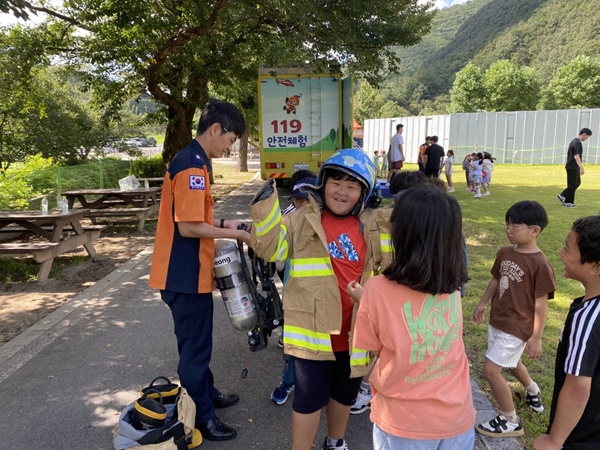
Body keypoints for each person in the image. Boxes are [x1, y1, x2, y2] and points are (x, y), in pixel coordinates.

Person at [250, 149, 393, 450]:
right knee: (308, 399)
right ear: (323, 183)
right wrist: (265, 208)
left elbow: (398, 260)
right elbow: (270, 250)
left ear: (364, 193)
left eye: (351, 186)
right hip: (312, 332)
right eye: (335, 183)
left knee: (344, 394)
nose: (342, 191)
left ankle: (335, 442)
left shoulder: (373, 224)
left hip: (355, 332)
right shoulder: (300, 219)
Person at [148, 99, 251, 442]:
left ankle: (207, 393)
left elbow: (197, 217)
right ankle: (202, 417)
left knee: (198, 344)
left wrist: (224, 222)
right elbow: (190, 227)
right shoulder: (192, 167)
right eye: (230, 139)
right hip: (184, 276)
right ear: (215, 129)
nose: (230, 147)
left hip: (188, 274)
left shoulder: (195, 161)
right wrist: (237, 234)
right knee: (195, 352)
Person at [350, 185, 475, 450]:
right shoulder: (452, 285)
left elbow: (373, 347)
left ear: (401, 233)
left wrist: (364, 301)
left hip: (404, 422)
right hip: (458, 417)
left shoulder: (376, 289)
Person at [473, 200, 556, 438]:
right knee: (511, 362)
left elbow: (541, 303)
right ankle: (532, 389)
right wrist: (482, 303)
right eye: (506, 225)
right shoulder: (504, 252)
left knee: (491, 370)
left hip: (518, 326)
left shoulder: (540, 263)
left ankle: (510, 421)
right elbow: (496, 279)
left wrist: (536, 337)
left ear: (535, 230)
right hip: (498, 320)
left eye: (515, 226)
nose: (508, 230)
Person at [533, 215, 600, 450]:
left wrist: (554, 440)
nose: (561, 253)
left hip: (581, 436)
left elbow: (577, 386)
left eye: (567, 249)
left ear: (595, 266)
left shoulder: (589, 317)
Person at [271, 171, 318, 406]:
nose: (300, 205)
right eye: (297, 200)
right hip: (294, 298)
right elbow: (279, 263)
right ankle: (288, 381)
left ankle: (319, 384)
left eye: (305, 200)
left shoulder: (328, 224)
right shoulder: (289, 221)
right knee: (292, 347)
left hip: (321, 299)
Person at [557, 127, 593, 208]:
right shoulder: (577, 143)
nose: (587, 139)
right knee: (572, 185)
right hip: (572, 167)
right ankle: (568, 202)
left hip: (573, 167)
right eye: (587, 137)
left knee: (577, 183)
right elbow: (576, 156)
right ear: (584, 134)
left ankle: (562, 195)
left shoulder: (574, 141)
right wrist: (581, 167)